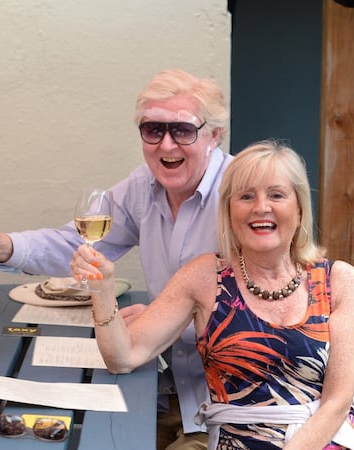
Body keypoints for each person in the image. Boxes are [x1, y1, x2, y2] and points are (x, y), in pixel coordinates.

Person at [0, 69, 229, 449]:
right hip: (160, 391)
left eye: (182, 130)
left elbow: (265, 305)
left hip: (226, 405)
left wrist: (159, 317)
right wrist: (3, 247)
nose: (167, 145)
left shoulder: (242, 193)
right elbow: (76, 243)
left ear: (214, 135)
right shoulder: (142, 188)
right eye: (153, 130)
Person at [73, 141, 354, 450]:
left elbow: (338, 402)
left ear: (299, 210)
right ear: (229, 211)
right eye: (246, 196)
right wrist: (102, 290)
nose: (261, 207)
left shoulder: (338, 280)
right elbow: (123, 357)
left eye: (276, 195)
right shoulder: (205, 277)